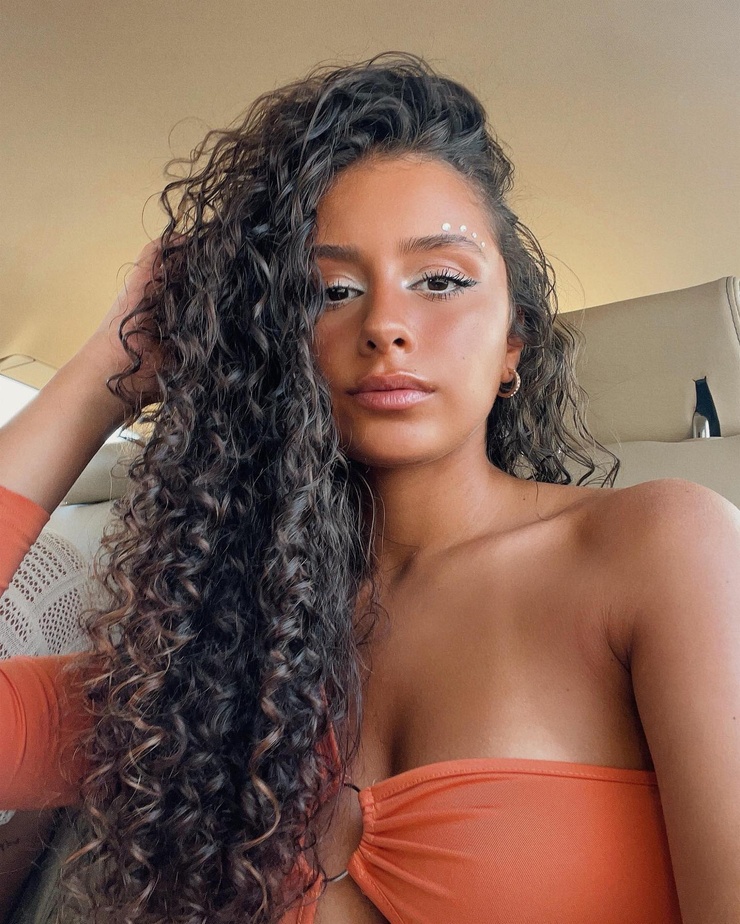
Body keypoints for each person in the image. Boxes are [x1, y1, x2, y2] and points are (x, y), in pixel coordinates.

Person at [1, 52, 739, 924]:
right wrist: (109, 373)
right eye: (331, 291)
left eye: (441, 281)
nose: (386, 324)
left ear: (514, 344)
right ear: (278, 345)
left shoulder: (661, 548)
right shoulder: (206, 664)